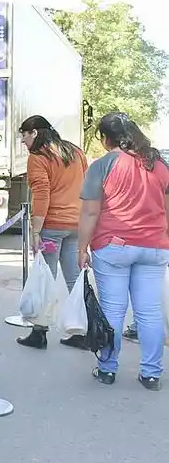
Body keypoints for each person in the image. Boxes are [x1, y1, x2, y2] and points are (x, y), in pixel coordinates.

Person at [78, 112, 169, 391]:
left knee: (113, 311)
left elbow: (90, 212)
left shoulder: (103, 164)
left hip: (114, 246)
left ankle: (107, 369)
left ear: (106, 138)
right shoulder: (159, 165)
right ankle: (151, 374)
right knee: (150, 312)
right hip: (155, 247)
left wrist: (82, 248)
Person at [16, 115, 89, 350]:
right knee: (75, 279)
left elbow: (42, 194)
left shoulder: (38, 158)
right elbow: (86, 187)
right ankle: (82, 330)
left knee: (45, 278)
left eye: (24, 135)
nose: (23, 141)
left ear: (34, 133)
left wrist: (35, 231)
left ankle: (39, 333)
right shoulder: (76, 152)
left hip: (52, 226)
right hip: (76, 224)